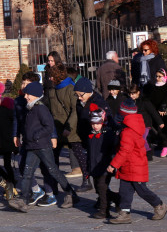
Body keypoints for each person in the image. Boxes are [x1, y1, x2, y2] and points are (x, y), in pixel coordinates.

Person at [8, 82, 79, 212]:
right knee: (27, 172)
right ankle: (23, 200)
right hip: (31, 147)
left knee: (53, 170)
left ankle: (70, 193)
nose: (26, 97)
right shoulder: (30, 107)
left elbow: (48, 126)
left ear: (35, 95)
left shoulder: (41, 108)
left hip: (42, 146)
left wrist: (36, 135)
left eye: (28, 94)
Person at [107, 111, 167, 224]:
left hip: (135, 167)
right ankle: (125, 213)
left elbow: (124, 151)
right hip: (127, 167)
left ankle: (159, 205)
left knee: (142, 190)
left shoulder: (128, 132)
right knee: (124, 191)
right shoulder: (128, 130)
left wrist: (113, 164)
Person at [46, 63, 89, 197]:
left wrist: (69, 126)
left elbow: (75, 110)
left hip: (71, 129)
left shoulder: (71, 89)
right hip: (56, 129)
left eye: (51, 76)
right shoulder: (52, 90)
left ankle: (86, 180)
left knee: (79, 155)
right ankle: (53, 184)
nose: (49, 79)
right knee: (53, 158)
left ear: (57, 76)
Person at [12, 71, 51, 205]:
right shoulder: (18, 101)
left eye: (27, 84)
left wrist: (54, 136)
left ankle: (50, 193)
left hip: (42, 139)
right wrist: (15, 135)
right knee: (23, 166)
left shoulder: (42, 102)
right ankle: (36, 190)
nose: (23, 86)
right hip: (27, 140)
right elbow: (16, 119)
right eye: (22, 83)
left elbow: (49, 121)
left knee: (46, 167)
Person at [74, 77, 111, 192]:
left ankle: (105, 197)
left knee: (99, 172)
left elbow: (107, 118)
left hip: (98, 138)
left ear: (89, 91)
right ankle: (100, 195)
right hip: (86, 135)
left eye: (81, 95)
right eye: (77, 95)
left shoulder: (98, 101)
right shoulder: (80, 102)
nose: (79, 98)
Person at [86, 107, 119, 219]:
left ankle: (104, 210)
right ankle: (117, 198)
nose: (95, 126)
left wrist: (112, 164)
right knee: (99, 188)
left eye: (98, 123)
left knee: (101, 187)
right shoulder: (90, 135)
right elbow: (90, 153)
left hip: (105, 166)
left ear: (103, 122)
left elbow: (113, 151)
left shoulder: (108, 134)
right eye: (93, 123)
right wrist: (87, 168)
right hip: (94, 167)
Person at [144, 69, 167, 157]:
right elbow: (150, 99)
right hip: (156, 113)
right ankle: (165, 145)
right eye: (156, 76)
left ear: (165, 77)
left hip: (166, 112)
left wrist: (163, 107)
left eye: (160, 76)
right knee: (160, 131)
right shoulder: (153, 87)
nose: (157, 78)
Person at [128, 85, 164, 162]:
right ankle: (142, 152)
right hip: (135, 125)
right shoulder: (129, 102)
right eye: (130, 94)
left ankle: (148, 152)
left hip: (145, 124)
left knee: (142, 138)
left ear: (138, 92)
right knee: (137, 140)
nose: (131, 96)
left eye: (133, 93)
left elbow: (153, 112)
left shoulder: (144, 101)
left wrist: (160, 122)